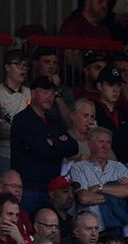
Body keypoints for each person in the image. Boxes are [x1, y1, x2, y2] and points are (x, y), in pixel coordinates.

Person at [12, 77, 78, 213]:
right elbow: (41, 149)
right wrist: (59, 143)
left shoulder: (54, 121)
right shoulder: (22, 119)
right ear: (33, 93)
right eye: (45, 92)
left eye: (52, 93)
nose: (50, 97)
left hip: (53, 190)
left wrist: (52, 142)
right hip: (31, 189)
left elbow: (73, 147)